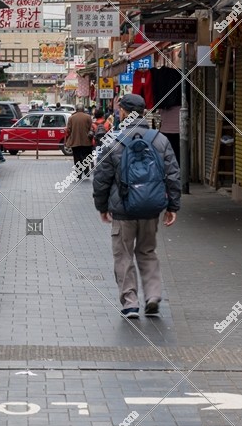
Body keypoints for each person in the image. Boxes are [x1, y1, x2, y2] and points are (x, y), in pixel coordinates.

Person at [92, 94, 180, 320]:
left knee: (123, 255)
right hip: (151, 208)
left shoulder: (114, 140)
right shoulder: (159, 140)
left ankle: (130, 303)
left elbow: (102, 178)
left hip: (123, 210)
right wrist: (173, 206)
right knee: (147, 251)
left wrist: (102, 206)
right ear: (143, 112)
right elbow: (172, 174)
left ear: (123, 111)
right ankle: (152, 296)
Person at [65, 104, 95, 179]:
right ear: (83, 109)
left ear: (76, 109)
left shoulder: (71, 118)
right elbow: (91, 128)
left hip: (75, 141)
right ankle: (86, 170)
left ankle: (79, 174)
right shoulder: (88, 117)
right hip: (86, 141)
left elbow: (68, 129)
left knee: (77, 158)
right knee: (85, 156)